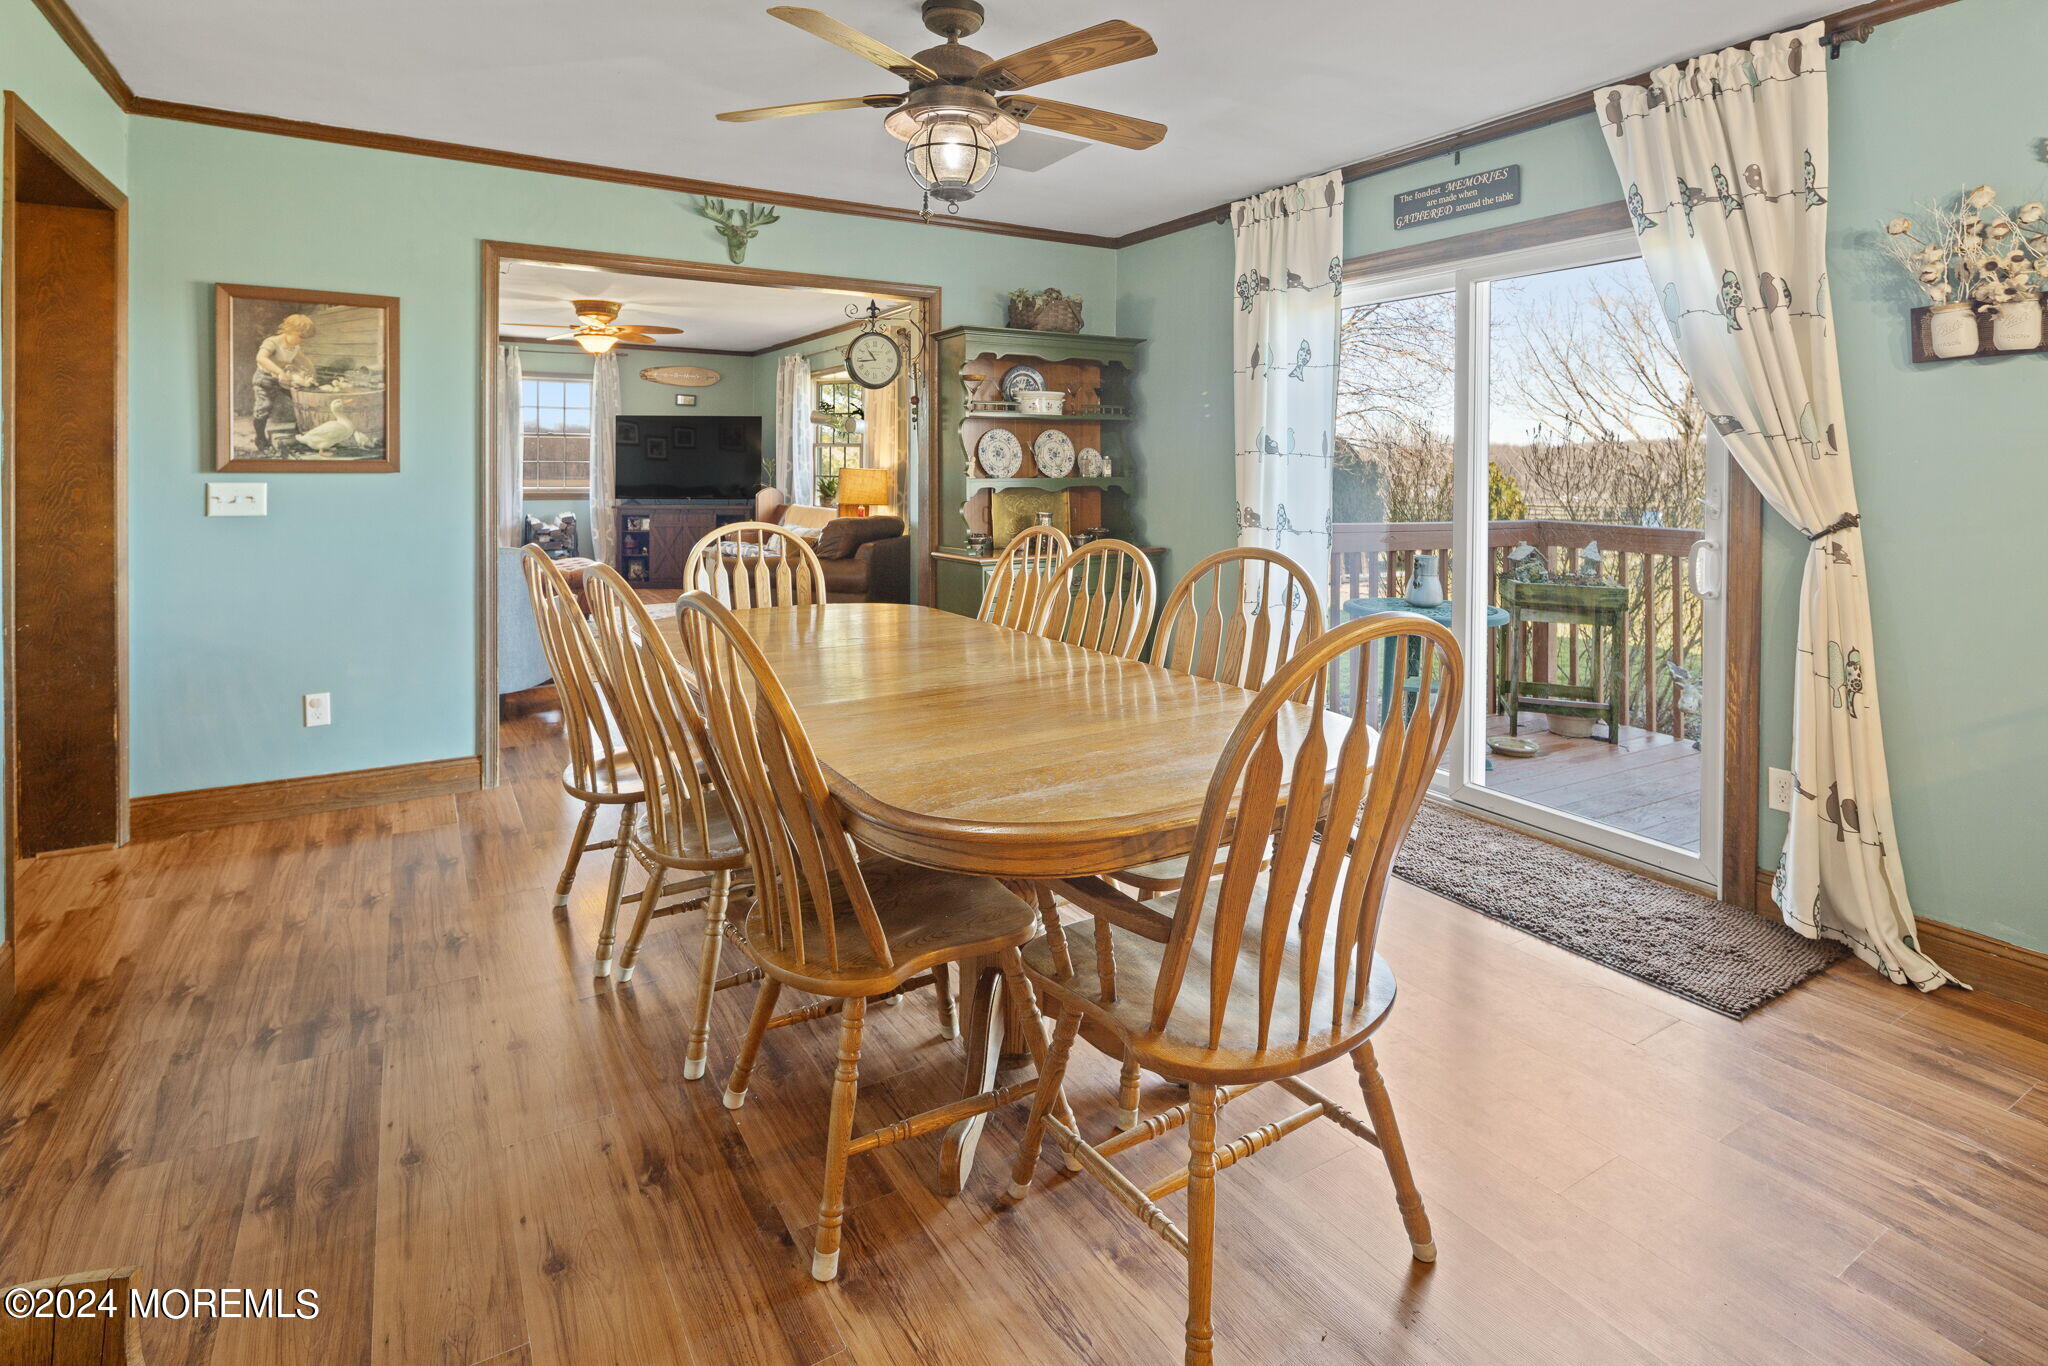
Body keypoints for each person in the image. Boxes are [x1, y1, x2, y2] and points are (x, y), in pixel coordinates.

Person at [251, 314, 314, 452]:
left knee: (299, 400)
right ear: (289, 330)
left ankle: (300, 434)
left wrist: (312, 372)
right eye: (300, 337)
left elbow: (304, 360)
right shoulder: (272, 342)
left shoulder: (294, 346)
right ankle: (260, 438)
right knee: (264, 407)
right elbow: (261, 358)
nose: (301, 341)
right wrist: (280, 372)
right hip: (265, 378)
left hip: (283, 378)